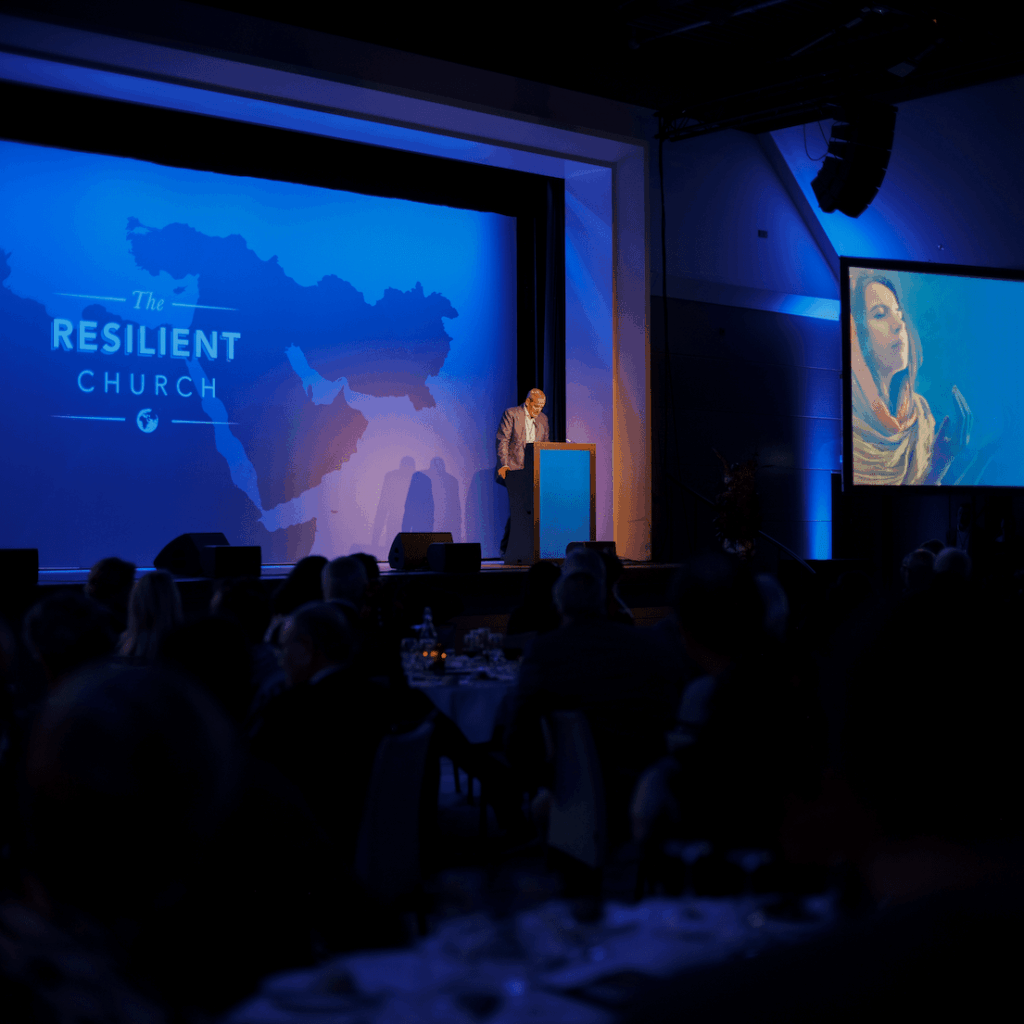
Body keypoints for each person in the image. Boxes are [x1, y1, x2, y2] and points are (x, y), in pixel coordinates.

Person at [850, 272, 971, 485]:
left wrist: (940, 464)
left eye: (899, 313)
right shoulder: (853, 426)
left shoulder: (920, 415)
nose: (899, 324)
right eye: (880, 315)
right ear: (858, 336)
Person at [496, 389, 550, 553]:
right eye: (536, 406)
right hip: (514, 469)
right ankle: (506, 549)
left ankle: (527, 549)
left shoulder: (543, 419)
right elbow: (502, 440)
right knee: (518, 509)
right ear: (528, 402)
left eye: (542, 406)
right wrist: (504, 465)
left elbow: (545, 445)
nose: (539, 410)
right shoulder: (512, 414)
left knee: (531, 511)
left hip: (534, 472)